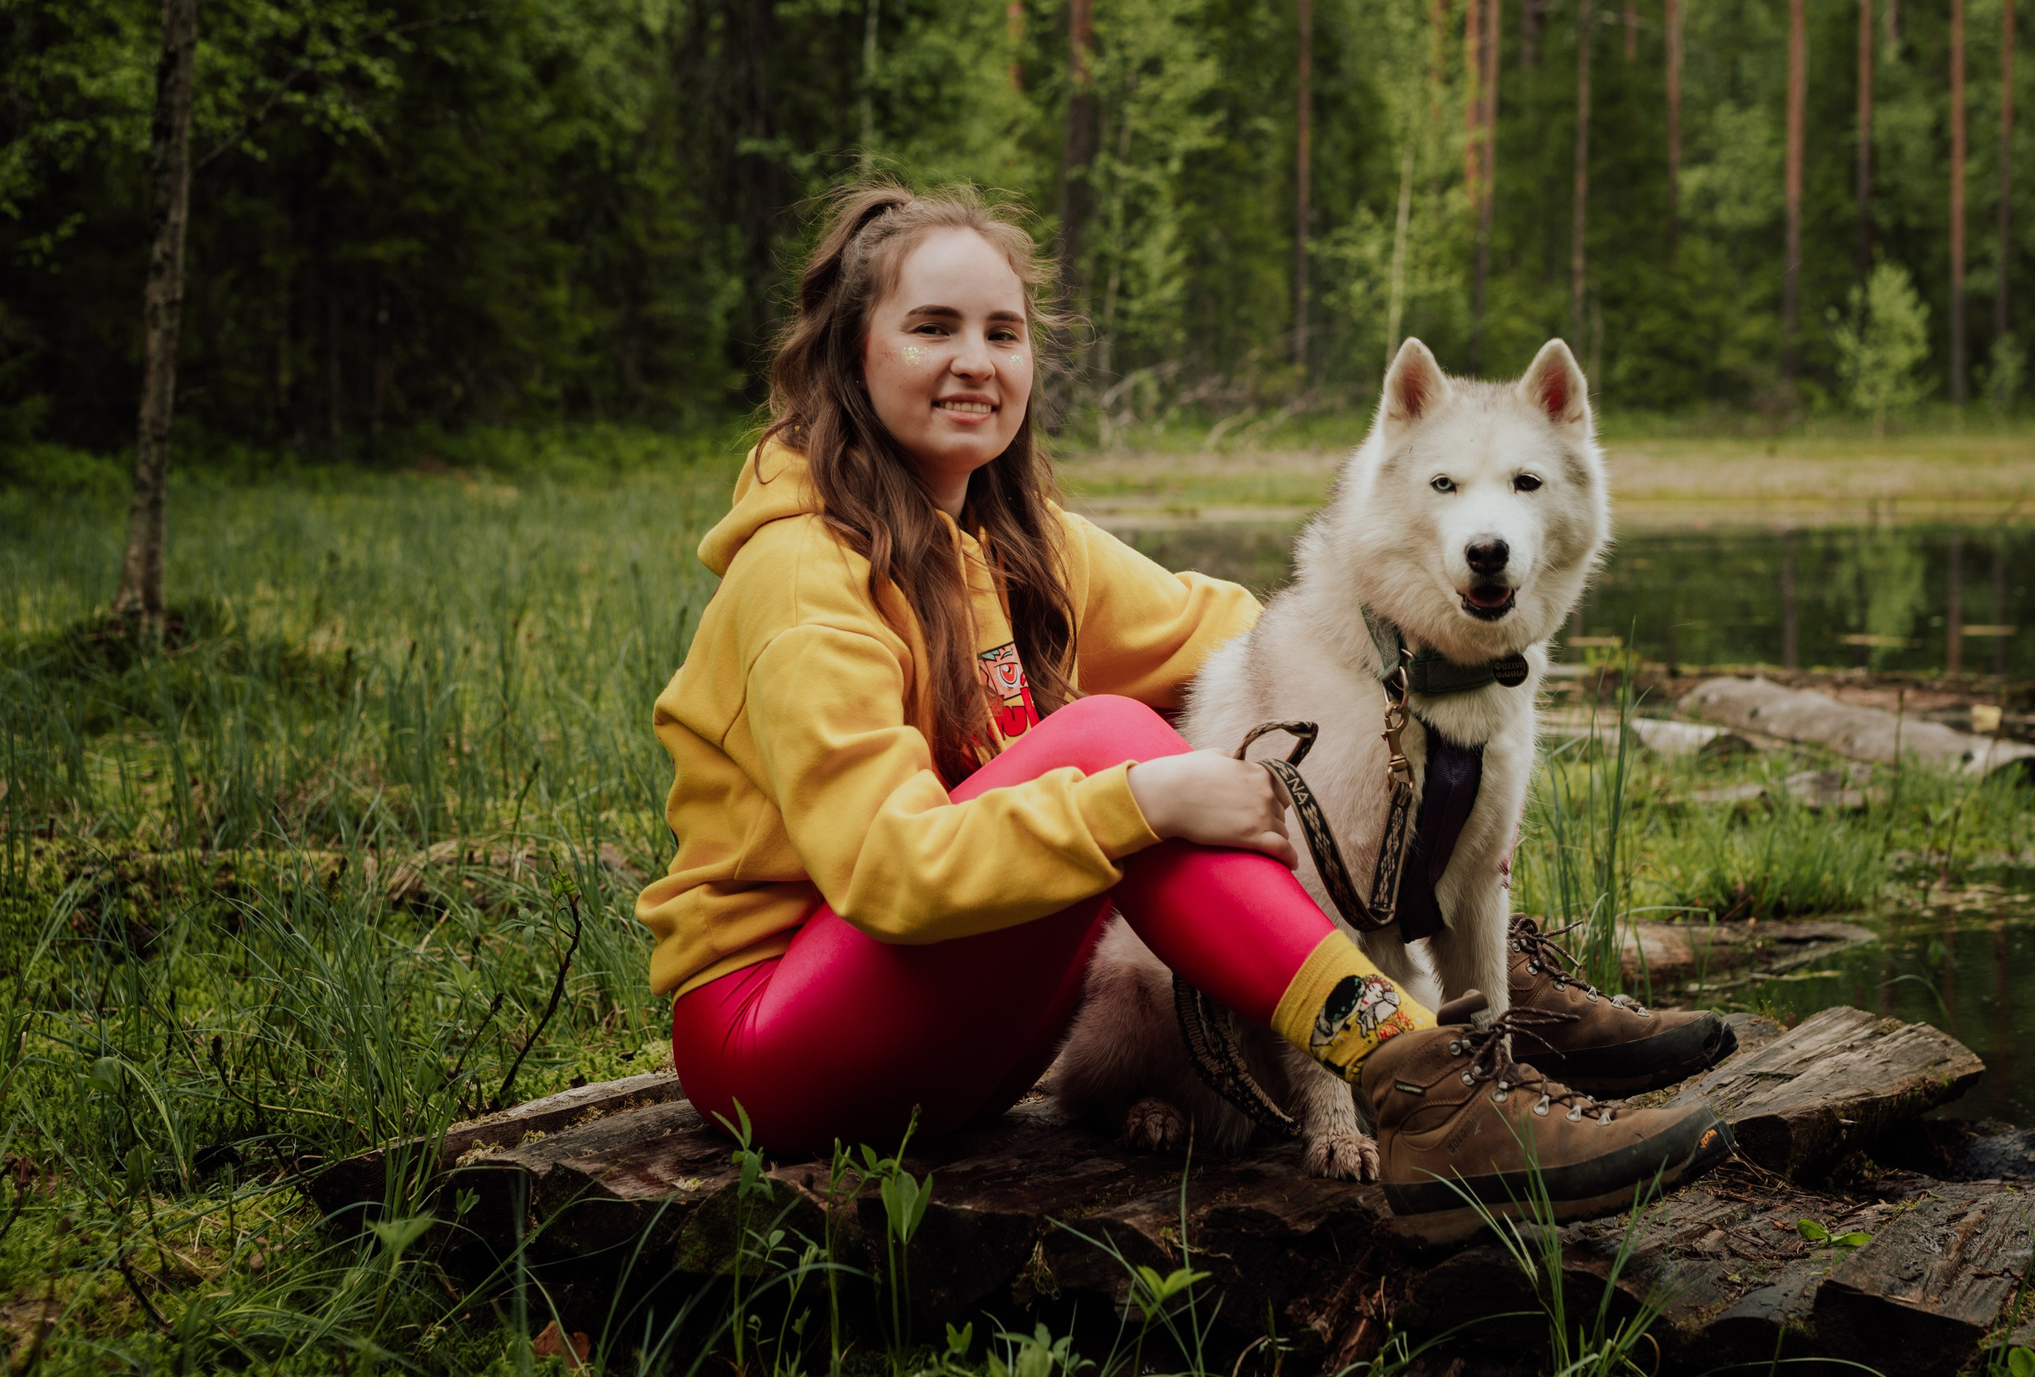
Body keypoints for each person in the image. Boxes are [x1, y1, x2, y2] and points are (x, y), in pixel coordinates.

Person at [637, 182, 1729, 1236]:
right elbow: (884, 867)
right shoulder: (799, 573)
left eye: (1003, 332)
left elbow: (1251, 631)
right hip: (773, 1048)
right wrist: (1143, 798)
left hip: (962, 1051)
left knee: (1254, 709)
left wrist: (1420, 671)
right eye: (932, 327)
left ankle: (1488, 993)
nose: (974, 361)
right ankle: (1424, 1086)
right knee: (1120, 745)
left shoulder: (1015, 540)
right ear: (848, 351)